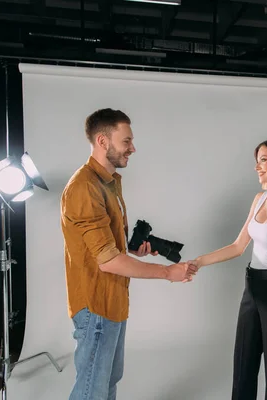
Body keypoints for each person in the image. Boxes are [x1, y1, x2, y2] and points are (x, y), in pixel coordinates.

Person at [60, 108, 196, 400]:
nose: (132, 148)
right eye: (126, 141)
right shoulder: (84, 188)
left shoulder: (108, 183)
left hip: (114, 303)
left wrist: (130, 249)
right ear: (103, 141)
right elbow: (107, 261)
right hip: (96, 306)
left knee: (107, 383)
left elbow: (108, 246)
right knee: (91, 391)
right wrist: (167, 273)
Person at [188, 138, 267, 400]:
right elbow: (237, 246)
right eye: (257, 161)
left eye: (264, 160)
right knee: (243, 365)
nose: (258, 167)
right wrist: (199, 261)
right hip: (252, 290)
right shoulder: (259, 199)